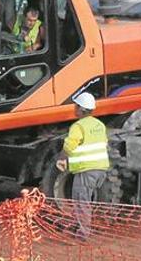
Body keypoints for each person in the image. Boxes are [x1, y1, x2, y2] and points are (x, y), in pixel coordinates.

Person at [56, 92, 109, 241]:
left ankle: (83, 234)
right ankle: (79, 225)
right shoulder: (99, 125)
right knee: (85, 200)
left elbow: (70, 144)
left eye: (76, 105)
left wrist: (62, 158)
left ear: (81, 109)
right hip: (101, 169)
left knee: (81, 200)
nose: (74, 108)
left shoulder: (78, 126)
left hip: (86, 169)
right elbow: (104, 143)